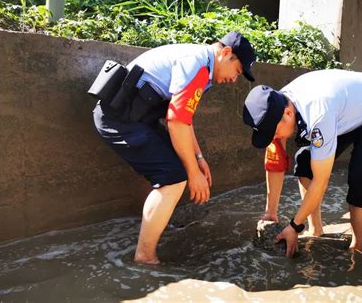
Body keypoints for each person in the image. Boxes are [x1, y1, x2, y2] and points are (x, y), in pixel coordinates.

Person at [93, 31, 256, 264]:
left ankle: (154, 223)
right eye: (238, 71)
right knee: (173, 177)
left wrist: (198, 158)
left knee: (177, 167)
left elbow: (184, 119)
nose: (234, 79)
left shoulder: (203, 63)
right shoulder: (198, 65)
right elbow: (176, 121)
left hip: (136, 119)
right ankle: (145, 257)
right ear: (226, 53)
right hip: (118, 119)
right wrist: (193, 174)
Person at [242, 69, 362, 258]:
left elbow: (321, 181)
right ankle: (316, 230)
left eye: (273, 132)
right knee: (305, 162)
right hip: (347, 111)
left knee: (361, 176)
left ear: (288, 114)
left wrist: (294, 226)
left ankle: (357, 250)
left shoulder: (318, 115)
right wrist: (270, 213)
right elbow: (276, 160)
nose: (274, 137)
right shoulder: (275, 104)